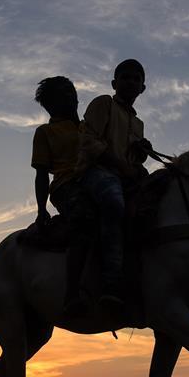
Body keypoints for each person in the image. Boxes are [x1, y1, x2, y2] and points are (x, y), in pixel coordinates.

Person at [76, 59, 151, 313]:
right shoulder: (103, 104)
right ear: (114, 83)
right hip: (96, 172)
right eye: (125, 77)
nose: (130, 82)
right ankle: (110, 283)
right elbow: (89, 141)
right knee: (113, 204)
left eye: (135, 79)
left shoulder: (138, 124)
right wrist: (124, 167)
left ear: (142, 88)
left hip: (125, 176)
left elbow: (132, 158)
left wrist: (140, 154)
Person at [30, 76, 92, 312]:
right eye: (62, 94)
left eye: (70, 92)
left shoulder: (90, 126)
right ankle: (72, 293)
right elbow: (41, 173)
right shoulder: (46, 132)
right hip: (67, 186)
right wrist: (40, 208)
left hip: (99, 180)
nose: (70, 97)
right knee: (84, 219)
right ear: (51, 104)